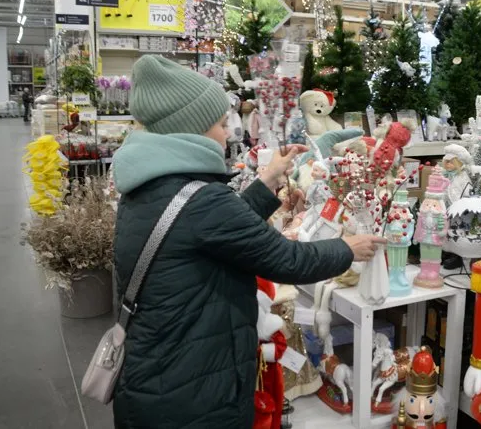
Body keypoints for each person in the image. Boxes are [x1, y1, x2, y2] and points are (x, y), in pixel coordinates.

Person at [111, 55, 384, 429]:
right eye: (222, 124)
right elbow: (287, 260)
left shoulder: (152, 186)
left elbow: (213, 229)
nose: (228, 134)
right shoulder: (202, 199)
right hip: (193, 391)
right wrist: (348, 248)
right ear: (192, 129)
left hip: (158, 371)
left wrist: (267, 182)